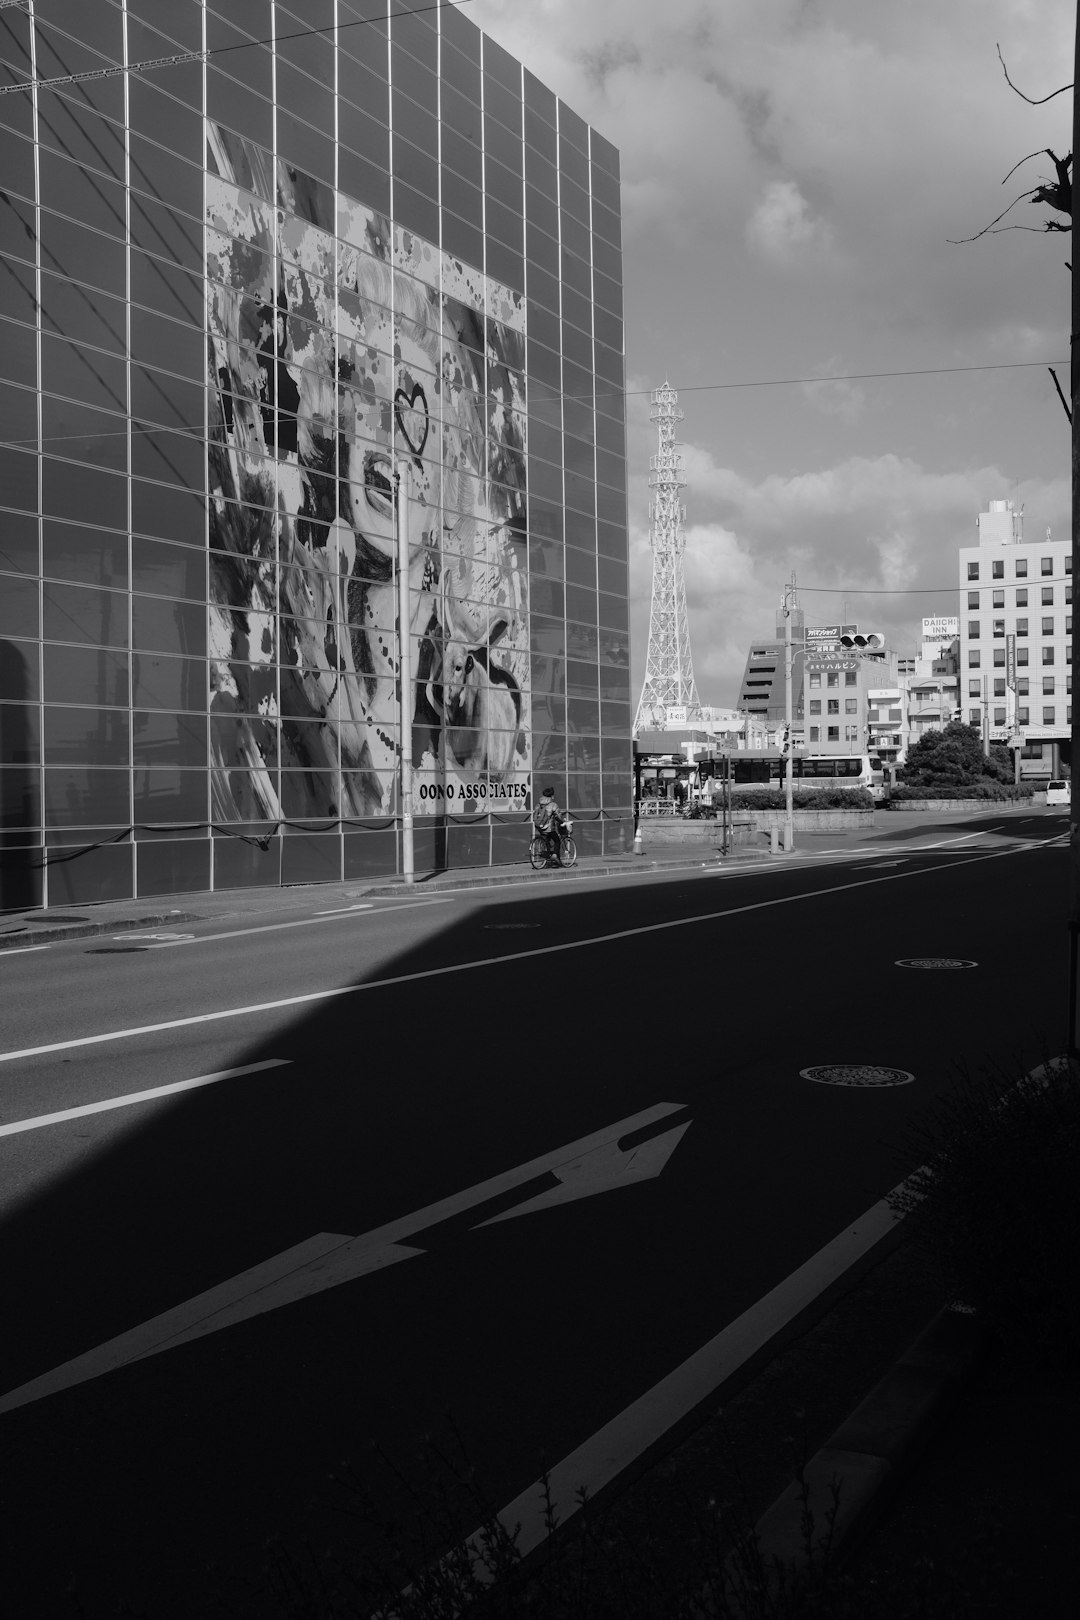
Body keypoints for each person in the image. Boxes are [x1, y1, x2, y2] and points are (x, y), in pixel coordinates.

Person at [532, 787, 566, 856]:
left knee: (547, 840)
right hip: (549, 828)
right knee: (557, 841)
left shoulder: (538, 804)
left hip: (539, 827)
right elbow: (558, 816)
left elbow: (535, 814)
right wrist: (562, 822)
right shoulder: (553, 804)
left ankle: (547, 856)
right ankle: (554, 855)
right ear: (551, 796)